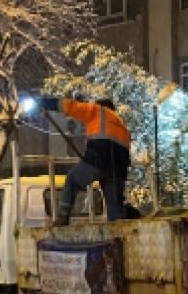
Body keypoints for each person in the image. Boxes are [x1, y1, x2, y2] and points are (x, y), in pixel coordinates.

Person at [41, 95, 131, 225]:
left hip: (97, 161)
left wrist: (46, 102)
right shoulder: (122, 125)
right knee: (115, 210)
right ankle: (119, 237)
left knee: (72, 180)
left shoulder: (97, 110)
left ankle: (63, 218)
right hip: (117, 172)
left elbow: (71, 107)